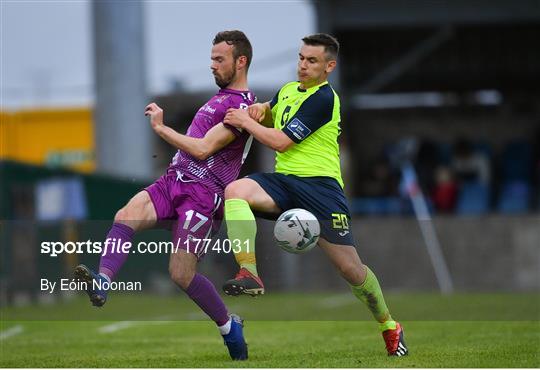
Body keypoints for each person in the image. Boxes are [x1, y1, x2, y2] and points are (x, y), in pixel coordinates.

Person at [221, 33, 408, 357]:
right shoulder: (287, 90)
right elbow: (271, 110)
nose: (303, 65)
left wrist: (243, 122)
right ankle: (249, 272)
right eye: (301, 58)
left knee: (351, 270)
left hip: (321, 190)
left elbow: (280, 141)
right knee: (235, 190)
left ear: (329, 66)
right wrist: (257, 110)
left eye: (312, 61)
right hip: (284, 182)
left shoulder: (324, 99)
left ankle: (389, 325)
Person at [74, 30, 256, 361]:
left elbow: (202, 149)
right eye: (212, 58)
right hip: (172, 181)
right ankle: (102, 281)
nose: (212, 65)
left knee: (180, 275)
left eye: (220, 59)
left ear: (240, 62)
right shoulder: (218, 98)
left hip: (203, 197)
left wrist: (161, 128)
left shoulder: (242, 107)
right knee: (124, 215)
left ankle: (229, 327)